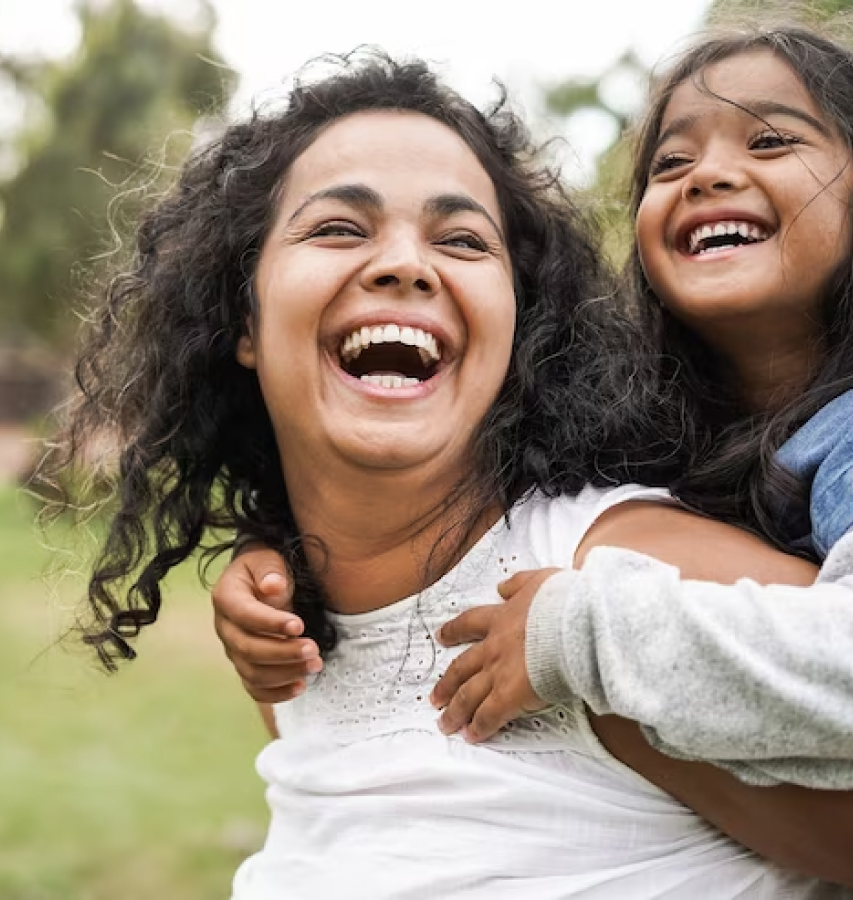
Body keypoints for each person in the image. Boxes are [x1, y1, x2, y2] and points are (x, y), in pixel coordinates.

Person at [44, 53, 848, 895]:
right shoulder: (289, 632)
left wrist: (588, 644)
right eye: (338, 228)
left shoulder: (623, 588)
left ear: (519, 327)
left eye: (461, 240)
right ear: (241, 316)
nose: (404, 264)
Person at [213, 29, 853, 798]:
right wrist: (280, 555)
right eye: (670, 163)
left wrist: (578, 638)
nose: (708, 174)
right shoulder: (663, 432)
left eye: (772, 139)